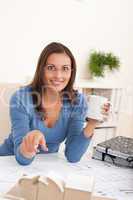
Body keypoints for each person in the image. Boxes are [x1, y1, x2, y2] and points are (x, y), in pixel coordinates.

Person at [0, 42, 110, 165]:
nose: (58, 76)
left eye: (65, 68)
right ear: (41, 69)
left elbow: (73, 156)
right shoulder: (21, 98)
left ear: (71, 72)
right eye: (51, 68)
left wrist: (92, 123)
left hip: (46, 166)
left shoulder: (77, 102)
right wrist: (31, 141)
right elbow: (22, 159)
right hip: (8, 162)